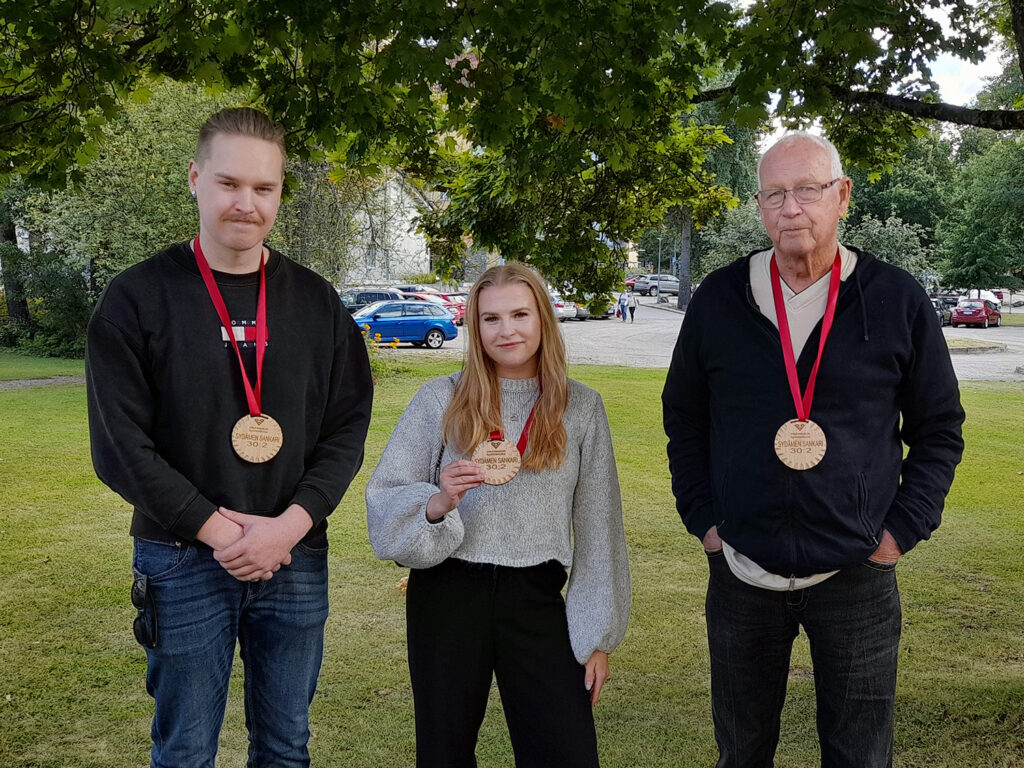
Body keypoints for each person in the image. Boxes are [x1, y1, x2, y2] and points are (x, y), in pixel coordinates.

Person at [662, 132, 964, 768]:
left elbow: (939, 428)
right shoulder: (719, 298)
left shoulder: (895, 298)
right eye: (773, 194)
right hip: (742, 572)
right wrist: (707, 522)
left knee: (859, 756)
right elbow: (684, 418)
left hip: (856, 576)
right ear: (760, 205)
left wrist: (900, 531)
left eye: (807, 190)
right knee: (741, 753)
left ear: (842, 196)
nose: (790, 209)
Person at [86, 107, 374, 767]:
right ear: (195, 178)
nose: (246, 203)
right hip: (180, 556)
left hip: (295, 556)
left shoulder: (315, 301)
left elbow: (345, 427)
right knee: (185, 750)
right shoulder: (137, 298)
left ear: (278, 194)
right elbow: (120, 447)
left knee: (286, 746)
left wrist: (287, 527)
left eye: (264, 188)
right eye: (229, 183)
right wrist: (223, 533)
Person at [367, 263, 630, 768]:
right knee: (444, 754)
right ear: (475, 326)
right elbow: (385, 498)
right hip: (447, 597)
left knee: (566, 752)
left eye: (519, 314)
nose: (506, 330)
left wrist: (596, 637)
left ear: (544, 320)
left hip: (536, 599)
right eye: (490, 319)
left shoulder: (582, 408)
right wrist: (437, 503)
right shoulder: (440, 399)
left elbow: (601, 528)